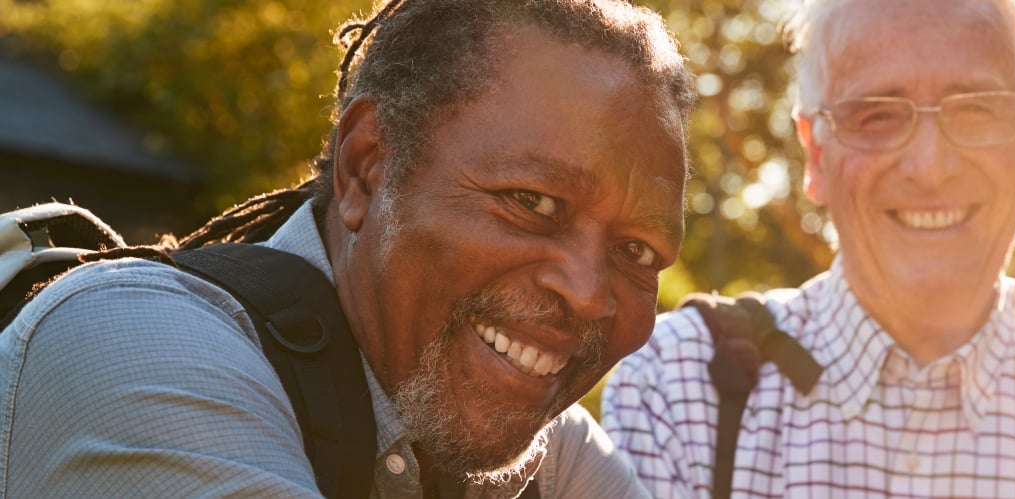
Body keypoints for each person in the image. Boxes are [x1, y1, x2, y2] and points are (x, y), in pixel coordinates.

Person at [0, 0, 695, 496]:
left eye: (637, 249)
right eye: (532, 202)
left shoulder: (550, 456)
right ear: (367, 166)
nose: (589, 292)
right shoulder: (130, 343)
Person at [602, 0, 1015, 497]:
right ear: (816, 155)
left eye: (975, 110)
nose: (929, 164)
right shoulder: (678, 389)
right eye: (876, 115)